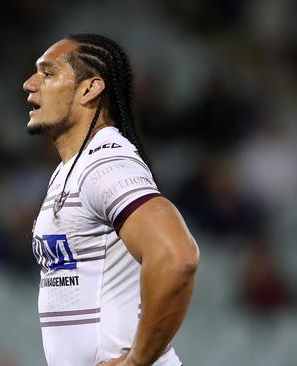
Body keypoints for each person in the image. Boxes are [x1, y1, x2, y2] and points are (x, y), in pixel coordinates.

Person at [23, 33, 199, 366]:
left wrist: (136, 361)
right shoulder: (73, 169)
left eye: (47, 73)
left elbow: (178, 257)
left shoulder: (106, 165)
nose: (29, 84)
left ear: (90, 89)